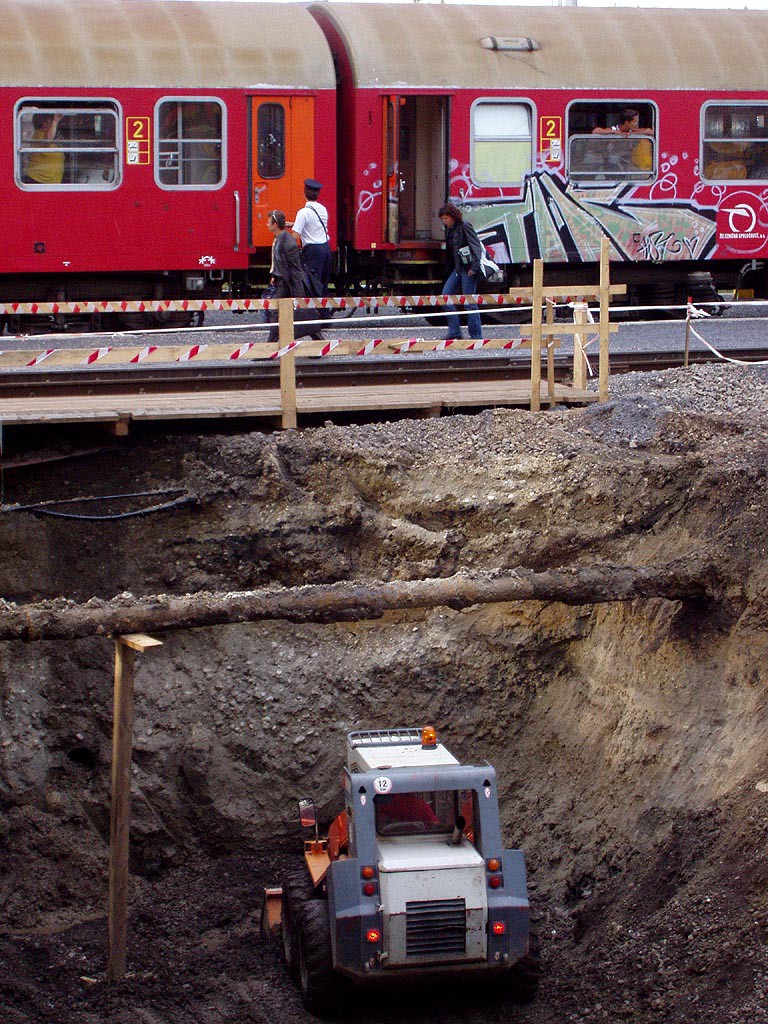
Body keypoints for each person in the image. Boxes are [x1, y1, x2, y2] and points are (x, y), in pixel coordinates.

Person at [266, 209, 321, 343]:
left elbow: (295, 270)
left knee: (275, 311)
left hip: (287, 283)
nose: (267, 225)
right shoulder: (279, 239)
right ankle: (318, 340)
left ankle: (270, 345)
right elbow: (279, 261)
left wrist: (298, 295)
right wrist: (274, 274)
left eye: (269, 222)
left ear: (275, 225)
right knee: (279, 311)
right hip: (282, 281)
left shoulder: (288, 243)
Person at [438, 202, 483, 341]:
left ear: (453, 216)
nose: (444, 221)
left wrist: (474, 268)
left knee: (469, 302)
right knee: (446, 297)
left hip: (468, 269)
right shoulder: (451, 230)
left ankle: (476, 335)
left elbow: (475, 246)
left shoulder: (465, 226)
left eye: (446, 218)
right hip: (458, 269)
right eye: (443, 219)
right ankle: (455, 331)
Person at [291, 178, 332, 295]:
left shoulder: (303, 212)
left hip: (312, 252)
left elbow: (295, 236)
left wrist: (282, 239)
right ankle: (323, 311)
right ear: (318, 194)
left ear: (304, 192)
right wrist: (294, 224)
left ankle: (313, 312)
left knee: (312, 286)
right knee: (322, 285)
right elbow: (315, 225)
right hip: (325, 249)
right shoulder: (323, 209)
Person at [23, 113, 64, 184]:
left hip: (48, 181)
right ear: (43, 123)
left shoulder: (49, 135)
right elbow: (47, 141)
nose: (51, 125)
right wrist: (55, 121)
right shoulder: (39, 135)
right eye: (50, 122)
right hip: (38, 180)